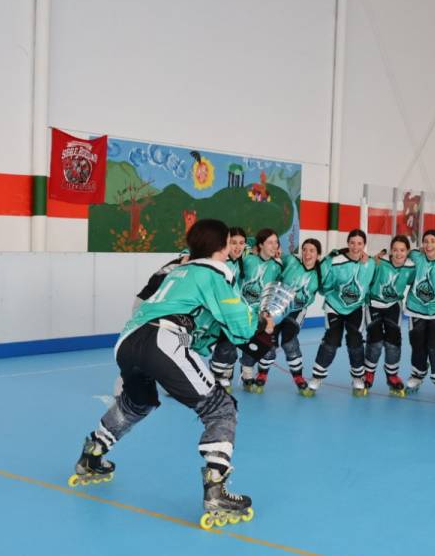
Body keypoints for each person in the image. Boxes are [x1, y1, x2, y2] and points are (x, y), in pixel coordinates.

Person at [69, 218, 277, 528]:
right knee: (220, 408)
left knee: (136, 402)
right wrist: (261, 324)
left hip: (128, 340)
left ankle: (93, 454)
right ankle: (216, 490)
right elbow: (240, 325)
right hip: (162, 339)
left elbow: (199, 324)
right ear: (221, 247)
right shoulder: (216, 273)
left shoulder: (178, 271)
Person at [308, 229, 377, 397]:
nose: (355, 246)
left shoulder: (371, 263)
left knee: (355, 341)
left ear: (364, 245)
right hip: (335, 307)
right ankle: (317, 377)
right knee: (331, 340)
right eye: (352, 243)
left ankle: (357, 377)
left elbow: (372, 283)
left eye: (359, 243)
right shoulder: (336, 261)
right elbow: (325, 285)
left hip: (356, 308)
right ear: (347, 244)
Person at [363, 234, 415, 395]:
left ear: (408, 251)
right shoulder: (380, 262)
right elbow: (365, 268)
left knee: (394, 342)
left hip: (393, 306)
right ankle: (369, 373)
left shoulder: (411, 267)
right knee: (376, 341)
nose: (398, 254)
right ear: (390, 251)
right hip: (373, 304)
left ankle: (392, 375)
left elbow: (416, 281)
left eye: (402, 250)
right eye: (395, 250)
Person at [404, 229, 435, 398]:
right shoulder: (417, 256)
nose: (429, 244)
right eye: (426, 241)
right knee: (417, 343)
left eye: (433, 241)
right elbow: (399, 250)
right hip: (415, 308)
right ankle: (417, 374)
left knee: (434, 344)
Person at [238, 228, 285, 393]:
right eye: (270, 242)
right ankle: (246, 374)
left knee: (268, 350)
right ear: (260, 245)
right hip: (241, 311)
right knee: (238, 347)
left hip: (262, 313)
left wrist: (270, 315)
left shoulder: (278, 265)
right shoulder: (247, 260)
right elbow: (240, 242)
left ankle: (257, 374)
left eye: (276, 242)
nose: (274, 246)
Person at [277, 238, 324, 391]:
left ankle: (298, 375)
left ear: (318, 255)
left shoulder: (321, 273)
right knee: (269, 341)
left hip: (298, 310)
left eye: (312, 250)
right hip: (278, 305)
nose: (307, 253)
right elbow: (273, 256)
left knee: (288, 340)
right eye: (304, 249)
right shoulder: (291, 261)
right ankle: (261, 374)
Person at [209, 227, 250, 391]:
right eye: (233, 243)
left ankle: (222, 373)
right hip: (211, 311)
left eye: (241, 243)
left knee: (230, 345)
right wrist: (184, 255)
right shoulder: (218, 258)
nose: (237, 247)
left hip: (231, 312)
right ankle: (216, 375)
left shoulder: (244, 259)